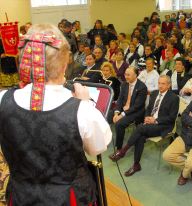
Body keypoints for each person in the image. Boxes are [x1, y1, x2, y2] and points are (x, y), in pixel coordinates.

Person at [0, 24, 112, 205]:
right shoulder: (80, 109)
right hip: (68, 198)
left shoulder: (3, 99)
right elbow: (97, 147)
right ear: (63, 63)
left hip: (21, 196)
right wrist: (85, 103)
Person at [109, 75, 179, 176]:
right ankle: (136, 164)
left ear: (169, 85)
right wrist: (146, 118)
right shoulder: (154, 93)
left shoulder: (174, 98)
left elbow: (172, 118)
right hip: (149, 124)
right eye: (159, 83)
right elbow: (149, 109)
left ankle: (123, 151)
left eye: (163, 84)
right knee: (140, 135)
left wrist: (155, 120)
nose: (160, 86)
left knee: (140, 128)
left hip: (163, 125)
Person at [109, 67, 148, 152]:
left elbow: (137, 106)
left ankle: (119, 148)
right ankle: (105, 139)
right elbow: (120, 100)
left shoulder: (142, 87)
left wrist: (122, 115)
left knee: (119, 124)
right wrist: (116, 113)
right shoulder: (124, 84)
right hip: (124, 108)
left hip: (136, 112)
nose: (126, 77)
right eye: (125, 74)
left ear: (135, 75)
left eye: (128, 75)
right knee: (107, 115)